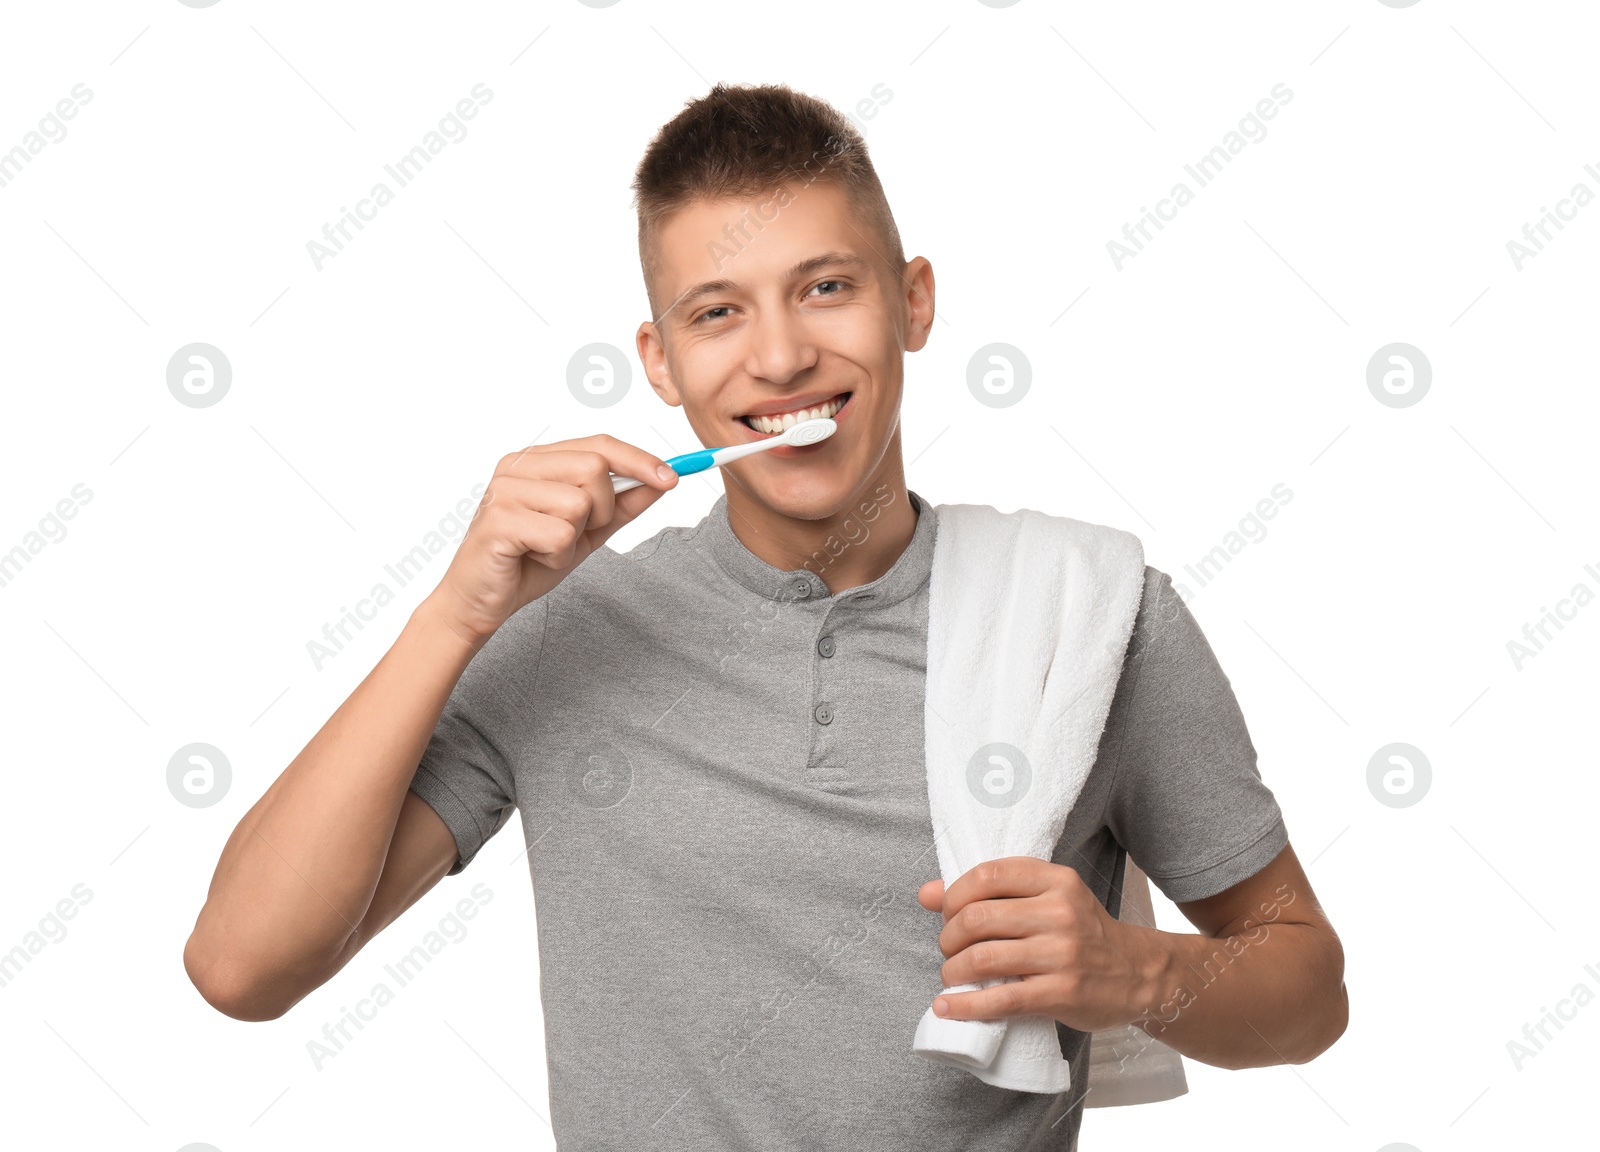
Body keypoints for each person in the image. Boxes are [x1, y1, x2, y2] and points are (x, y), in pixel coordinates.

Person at [184, 82, 1347, 1149]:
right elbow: (243, 968)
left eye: (827, 287)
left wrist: (1133, 974)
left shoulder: (1092, 619)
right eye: (717, 313)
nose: (782, 357)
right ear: (662, 363)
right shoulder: (560, 634)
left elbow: (1307, 992)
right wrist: (453, 616)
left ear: (915, 302)